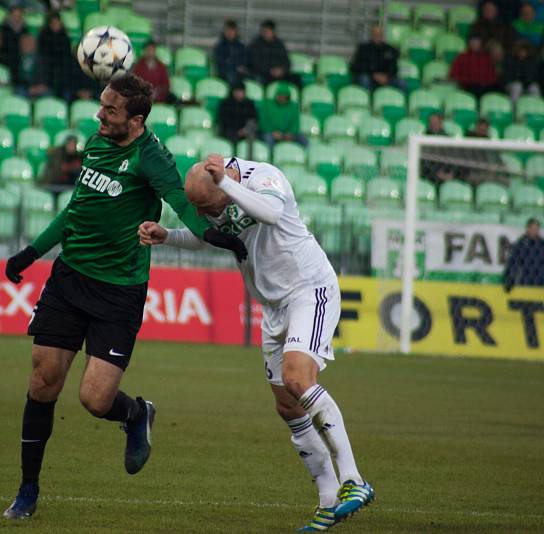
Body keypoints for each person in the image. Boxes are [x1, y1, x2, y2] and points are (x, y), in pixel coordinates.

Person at [0, 74, 248, 521]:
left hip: (119, 291)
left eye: (109, 111)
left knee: (95, 400)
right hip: (69, 278)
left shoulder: (152, 158)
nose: (99, 115)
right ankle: (27, 490)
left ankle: (136, 414)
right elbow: (74, 210)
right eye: (101, 105)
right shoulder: (95, 143)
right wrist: (31, 252)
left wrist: (215, 235)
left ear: (135, 121)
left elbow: (181, 200)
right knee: (42, 382)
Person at [137, 153, 374, 532]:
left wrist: (228, 186)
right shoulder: (216, 197)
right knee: (286, 405)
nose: (205, 213)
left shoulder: (265, 178)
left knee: (299, 378)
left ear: (224, 181)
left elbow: (271, 214)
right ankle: (329, 500)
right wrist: (169, 237)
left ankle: (354, 480)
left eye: (209, 205)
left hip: (309, 290)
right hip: (274, 305)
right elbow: (212, 240)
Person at [247, 20, 300, 87]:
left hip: (280, 73)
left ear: (273, 32)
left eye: (268, 31)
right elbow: (254, 63)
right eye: (264, 31)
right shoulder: (255, 45)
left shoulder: (279, 44)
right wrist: (270, 70)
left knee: (296, 79)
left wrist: (282, 70)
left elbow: (287, 61)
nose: (266, 33)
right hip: (265, 74)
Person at [350, 25, 401, 91]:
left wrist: (387, 76)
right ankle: (367, 100)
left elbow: (394, 67)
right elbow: (356, 66)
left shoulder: (390, 49)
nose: (377, 36)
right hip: (369, 76)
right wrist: (374, 75)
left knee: (401, 83)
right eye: (375, 34)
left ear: (383, 35)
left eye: (379, 34)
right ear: (371, 35)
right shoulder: (363, 48)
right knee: (364, 79)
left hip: (385, 77)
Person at [37, 11, 72, 99]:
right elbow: (42, 55)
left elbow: (66, 55)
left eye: (57, 23)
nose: (55, 25)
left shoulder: (65, 38)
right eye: (53, 23)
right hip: (48, 70)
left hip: (62, 72)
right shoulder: (44, 37)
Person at [504, 217, 544, 290]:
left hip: (541, 282)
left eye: (536, 228)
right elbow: (513, 263)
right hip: (525, 280)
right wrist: (510, 279)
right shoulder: (520, 244)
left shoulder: (542, 245)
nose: (534, 231)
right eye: (532, 228)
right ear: (527, 229)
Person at [214, 20, 248, 85]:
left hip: (240, 74)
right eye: (227, 30)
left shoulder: (241, 47)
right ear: (224, 32)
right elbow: (220, 63)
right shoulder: (220, 47)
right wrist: (236, 67)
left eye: (232, 30)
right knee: (231, 78)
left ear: (236, 32)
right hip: (224, 73)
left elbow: (245, 61)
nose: (230, 33)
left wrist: (242, 68)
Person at [15, 33, 48, 97]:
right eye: (25, 43)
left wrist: (40, 87)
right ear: (21, 45)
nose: (28, 45)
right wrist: (28, 88)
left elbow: (46, 75)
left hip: (40, 87)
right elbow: (17, 77)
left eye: (30, 43)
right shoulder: (17, 60)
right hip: (24, 88)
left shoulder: (43, 59)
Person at [2, 6, 28, 83]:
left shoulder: (25, 31)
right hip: (7, 58)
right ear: (10, 16)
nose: (16, 18)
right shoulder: (3, 29)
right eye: (14, 16)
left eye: (19, 16)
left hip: (20, 59)